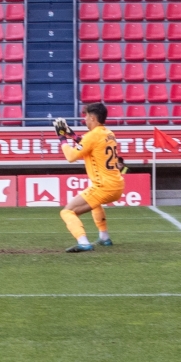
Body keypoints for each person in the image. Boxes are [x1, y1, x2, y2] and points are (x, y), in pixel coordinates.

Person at [53, 103, 125, 253]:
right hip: (117, 185)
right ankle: (104, 238)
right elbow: (89, 147)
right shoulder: (109, 133)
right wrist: (71, 134)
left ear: (92, 117)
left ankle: (83, 242)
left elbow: (71, 156)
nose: (84, 119)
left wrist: (61, 138)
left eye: (86, 116)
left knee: (67, 212)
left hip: (103, 186)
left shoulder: (92, 136)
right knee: (95, 204)